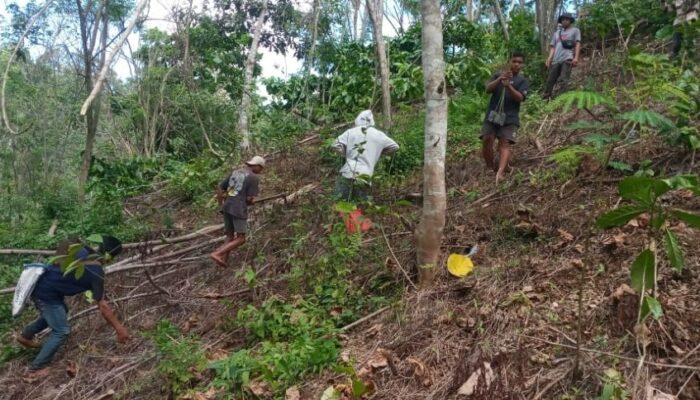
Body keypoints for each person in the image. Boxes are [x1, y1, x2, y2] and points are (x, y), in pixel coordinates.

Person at [16, 236, 129, 380]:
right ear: (110, 257)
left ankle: (25, 335)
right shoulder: (97, 272)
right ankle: (35, 369)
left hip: (41, 285)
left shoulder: (79, 250)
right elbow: (103, 305)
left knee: (61, 310)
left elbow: (65, 244)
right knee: (61, 331)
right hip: (45, 294)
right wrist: (119, 328)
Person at [480, 51, 529, 182]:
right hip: (493, 116)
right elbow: (488, 89)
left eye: (519, 62)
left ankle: (500, 172)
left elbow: (520, 98)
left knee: (504, 143)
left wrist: (509, 87)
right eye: (514, 61)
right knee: (487, 139)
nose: (517, 64)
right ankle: (490, 168)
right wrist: (499, 80)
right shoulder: (498, 75)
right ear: (509, 62)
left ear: (522, 65)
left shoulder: (523, 81)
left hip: (510, 118)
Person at [332, 110, 399, 200]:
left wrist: (345, 154)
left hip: (348, 171)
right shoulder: (379, 135)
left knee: (340, 202)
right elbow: (395, 146)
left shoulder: (350, 132)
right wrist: (377, 152)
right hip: (365, 175)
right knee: (360, 205)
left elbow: (335, 145)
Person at [210, 156, 264, 268]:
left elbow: (220, 188)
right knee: (241, 238)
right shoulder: (253, 178)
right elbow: (249, 199)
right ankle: (217, 253)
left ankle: (223, 262)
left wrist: (221, 205)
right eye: (261, 168)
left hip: (227, 206)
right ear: (257, 166)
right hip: (238, 209)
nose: (261, 171)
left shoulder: (235, 172)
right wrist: (250, 202)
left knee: (230, 236)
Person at [544, 12, 581, 100]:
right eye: (563, 19)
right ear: (561, 21)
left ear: (570, 21)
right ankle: (545, 98)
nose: (564, 21)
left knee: (564, 79)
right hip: (556, 59)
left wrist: (576, 57)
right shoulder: (557, 33)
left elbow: (578, 44)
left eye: (567, 19)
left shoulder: (575, 30)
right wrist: (549, 59)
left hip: (567, 58)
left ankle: (562, 99)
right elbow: (553, 47)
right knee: (550, 79)